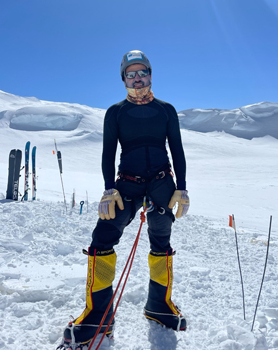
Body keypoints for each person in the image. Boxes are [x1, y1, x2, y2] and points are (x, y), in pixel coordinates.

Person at [59, 50, 190, 350]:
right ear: (123, 79)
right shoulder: (115, 113)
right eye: (131, 74)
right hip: (126, 185)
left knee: (161, 239)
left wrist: (181, 187)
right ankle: (98, 316)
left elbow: (178, 150)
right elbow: (108, 153)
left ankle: (160, 306)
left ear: (151, 74)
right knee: (103, 236)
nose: (137, 79)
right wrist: (108, 189)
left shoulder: (166, 110)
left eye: (142, 72)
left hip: (161, 183)